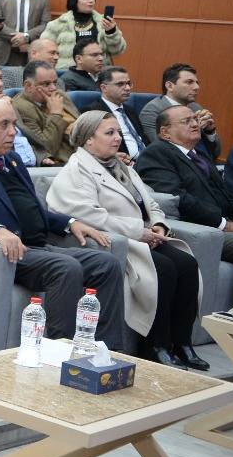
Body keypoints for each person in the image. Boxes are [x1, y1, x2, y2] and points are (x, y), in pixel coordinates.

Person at [0, 96, 127, 350]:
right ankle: (60, 351)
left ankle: (105, 349)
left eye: (14, 124)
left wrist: (69, 222)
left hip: (39, 247)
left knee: (107, 264)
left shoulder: (12, 160)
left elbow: (31, 210)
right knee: (66, 267)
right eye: (4, 125)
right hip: (6, 253)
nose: (13, 132)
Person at [50, 113, 202, 369]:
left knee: (187, 264)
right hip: (122, 241)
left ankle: (182, 343)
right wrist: (138, 232)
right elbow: (89, 215)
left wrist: (158, 225)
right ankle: (155, 347)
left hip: (146, 237)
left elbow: (151, 203)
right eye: (109, 133)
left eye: (118, 132)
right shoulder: (76, 170)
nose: (117, 138)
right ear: (88, 140)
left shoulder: (123, 167)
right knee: (164, 269)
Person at [135, 105, 233, 274]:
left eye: (195, 119)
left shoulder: (197, 153)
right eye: (186, 121)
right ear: (165, 132)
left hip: (223, 222)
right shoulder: (156, 153)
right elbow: (178, 197)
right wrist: (225, 225)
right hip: (199, 228)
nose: (194, 124)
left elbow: (224, 191)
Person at [140, 63, 220, 161]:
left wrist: (210, 132)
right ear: (170, 86)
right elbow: (162, 151)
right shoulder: (152, 111)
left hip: (205, 163)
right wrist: (193, 131)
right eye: (189, 82)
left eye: (197, 83)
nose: (196, 87)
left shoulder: (195, 107)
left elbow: (215, 153)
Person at [13, 59, 78, 166]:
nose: (53, 88)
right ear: (28, 86)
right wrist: (56, 114)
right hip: (62, 163)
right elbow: (46, 147)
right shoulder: (21, 107)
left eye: (55, 83)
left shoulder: (60, 95)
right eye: (46, 84)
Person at [42, 0, 125, 67]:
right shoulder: (58, 24)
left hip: (99, 71)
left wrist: (111, 32)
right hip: (68, 72)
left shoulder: (103, 23)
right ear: (75, 0)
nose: (91, 0)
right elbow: (44, 50)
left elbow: (117, 50)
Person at [82, 65, 149, 158]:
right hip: (121, 161)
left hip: (147, 159)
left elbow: (144, 139)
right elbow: (87, 146)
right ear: (104, 88)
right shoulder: (92, 112)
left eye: (129, 83)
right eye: (120, 84)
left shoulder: (130, 110)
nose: (127, 88)